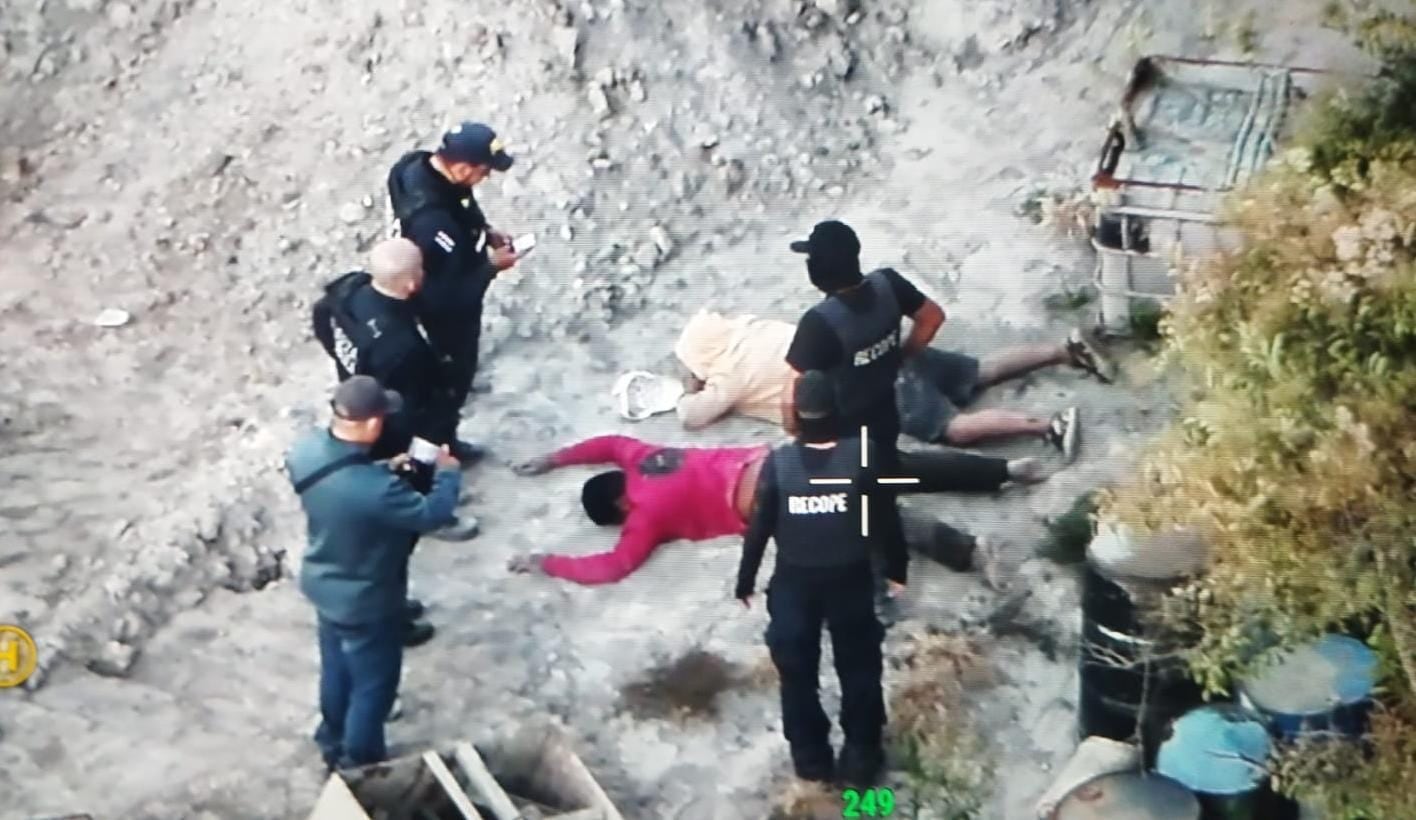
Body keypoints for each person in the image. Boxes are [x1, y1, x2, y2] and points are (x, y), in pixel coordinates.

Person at [503, 430, 1044, 586]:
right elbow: (607, 442)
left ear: (620, 506)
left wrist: (543, 561)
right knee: (899, 469)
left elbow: (613, 567)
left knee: (878, 520)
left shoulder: (644, 517)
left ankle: (971, 553)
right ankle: (1003, 471)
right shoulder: (642, 456)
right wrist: (553, 458)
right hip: (778, 458)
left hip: (774, 500)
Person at [285, 376, 462, 771]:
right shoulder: (376, 491)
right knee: (373, 688)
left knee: (336, 670)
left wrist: (385, 468)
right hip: (367, 600)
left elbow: (346, 486)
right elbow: (432, 514)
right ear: (370, 423)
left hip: (324, 584)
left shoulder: (306, 449)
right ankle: (359, 762)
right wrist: (447, 473)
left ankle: (330, 739)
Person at [735, 371, 902, 787]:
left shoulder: (779, 464)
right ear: (838, 412)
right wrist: (897, 570)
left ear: (794, 415)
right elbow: (886, 520)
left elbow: (759, 528)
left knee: (796, 671)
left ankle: (810, 760)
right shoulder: (864, 456)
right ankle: (862, 758)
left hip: (795, 584)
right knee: (860, 666)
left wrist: (745, 580)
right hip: (850, 580)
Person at [310, 239, 478, 646]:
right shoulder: (401, 346)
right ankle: (393, 619)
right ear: (408, 285)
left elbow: (321, 317)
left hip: (363, 406)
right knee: (390, 545)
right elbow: (419, 410)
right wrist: (432, 458)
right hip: (393, 430)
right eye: (419, 272)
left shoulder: (347, 291)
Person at [673, 310, 1113, 461]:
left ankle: (1048, 426)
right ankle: (1064, 350)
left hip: (875, 390)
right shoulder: (753, 329)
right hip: (880, 352)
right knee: (979, 371)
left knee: (954, 430)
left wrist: (690, 385)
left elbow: (692, 416)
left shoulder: (731, 378)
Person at [387, 121, 523, 462]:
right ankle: (435, 450)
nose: (486, 177)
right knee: (450, 382)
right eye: (483, 170)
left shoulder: (414, 166)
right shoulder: (434, 225)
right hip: (443, 313)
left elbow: (460, 201)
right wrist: (492, 267)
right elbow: (450, 297)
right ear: (462, 166)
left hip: (429, 275)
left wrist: (484, 230)